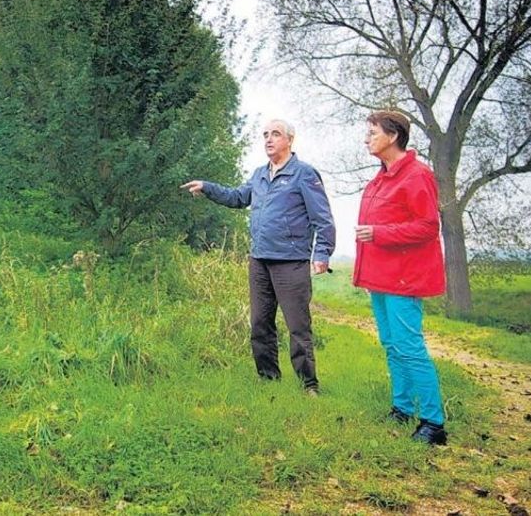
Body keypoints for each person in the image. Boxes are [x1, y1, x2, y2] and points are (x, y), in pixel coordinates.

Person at [182, 119, 335, 394]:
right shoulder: (259, 175)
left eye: (275, 134)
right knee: (260, 324)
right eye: (265, 135)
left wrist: (322, 252)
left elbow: (322, 218)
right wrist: (207, 187)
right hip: (259, 260)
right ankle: (268, 380)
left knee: (298, 326)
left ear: (289, 140)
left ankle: (308, 385)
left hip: (290, 261)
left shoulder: (303, 173)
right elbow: (236, 197)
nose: (268, 139)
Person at [354, 110, 448, 445]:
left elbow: (428, 227)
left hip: (404, 278)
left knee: (409, 347)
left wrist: (379, 233)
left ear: (393, 136)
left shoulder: (417, 175)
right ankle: (402, 408)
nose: (367, 139)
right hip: (381, 277)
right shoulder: (381, 178)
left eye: (373, 132)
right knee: (392, 345)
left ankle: (434, 424)